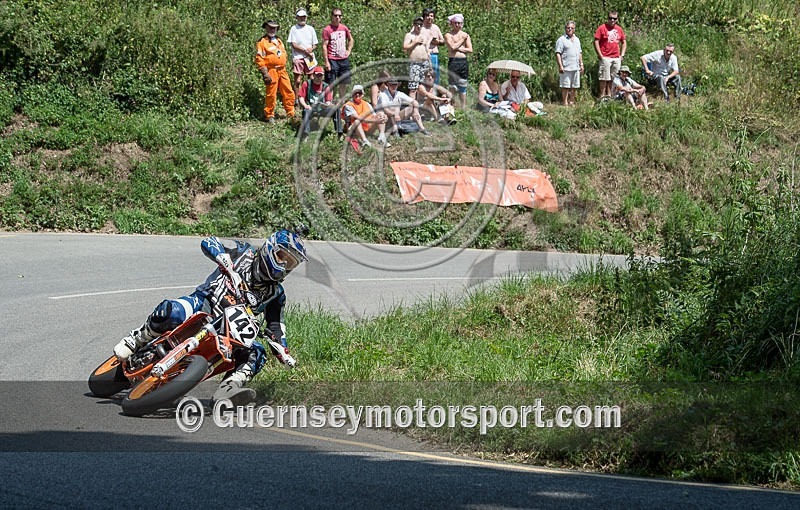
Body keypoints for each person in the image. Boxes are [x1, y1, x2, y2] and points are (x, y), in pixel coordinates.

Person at [113, 229, 308, 405]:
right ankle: (136, 339)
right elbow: (210, 241)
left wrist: (282, 349)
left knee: (257, 352)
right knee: (171, 310)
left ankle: (229, 389)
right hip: (205, 303)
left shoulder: (276, 293)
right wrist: (222, 258)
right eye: (283, 257)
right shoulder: (243, 252)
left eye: (291, 263)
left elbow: (276, 325)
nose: (285, 266)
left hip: (230, 331)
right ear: (270, 249)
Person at [255, 20, 295, 123]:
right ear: (266, 28)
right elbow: (259, 58)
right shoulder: (262, 42)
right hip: (271, 71)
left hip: (282, 70)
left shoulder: (279, 40)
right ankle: (269, 115)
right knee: (271, 94)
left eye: (274, 28)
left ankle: (291, 113)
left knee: (288, 91)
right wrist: (265, 73)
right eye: (270, 27)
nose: (272, 29)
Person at [298, 66, 341, 139]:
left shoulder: (326, 86)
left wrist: (328, 104)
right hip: (310, 108)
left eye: (320, 75)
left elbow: (328, 101)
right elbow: (301, 97)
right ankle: (306, 134)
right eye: (317, 75)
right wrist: (305, 105)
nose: (319, 77)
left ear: (323, 76)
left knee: (337, 109)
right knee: (306, 111)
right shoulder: (307, 84)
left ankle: (339, 132)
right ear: (313, 75)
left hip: (322, 109)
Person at [322, 7, 354, 101]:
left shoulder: (344, 28)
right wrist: (326, 62)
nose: (337, 17)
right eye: (335, 15)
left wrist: (349, 50)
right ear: (331, 16)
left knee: (343, 82)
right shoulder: (327, 29)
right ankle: (329, 102)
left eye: (339, 16)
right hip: (332, 59)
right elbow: (324, 46)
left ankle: (341, 101)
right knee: (330, 82)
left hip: (343, 59)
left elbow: (351, 39)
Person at [343, 84, 388, 149]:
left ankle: (382, 137)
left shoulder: (367, 104)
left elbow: (375, 116)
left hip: (367, 128)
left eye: (359, 93)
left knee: (381, 114)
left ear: (363, 95)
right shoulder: (349, 105)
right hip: (354, 130)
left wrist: (384, 117)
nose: (357, 94)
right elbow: (358, 118)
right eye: (355, 93)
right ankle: (365, 141)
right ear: (352, 94)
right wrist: (375, 120)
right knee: (357, 121)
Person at [287, 9, 319, 101]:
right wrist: (305, 50)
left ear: (306, 17)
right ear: (297, 17)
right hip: (298, 57)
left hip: (309, 57)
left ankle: (309, 98)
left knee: (311, 78)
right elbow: (293, 44)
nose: (302, 18)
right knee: (297, 80)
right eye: (300, 17)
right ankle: (297, 99)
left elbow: (315, 44)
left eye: (304, 16)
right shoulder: (294, 28)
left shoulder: (310, 29)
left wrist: (311, 49)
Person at [594, 11, 626, 99]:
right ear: (607, 18)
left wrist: (622, 55)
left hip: (616, 57)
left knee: (614, 78)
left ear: (617, 19)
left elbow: (624, 42)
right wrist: (600, 54)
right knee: (604, 77)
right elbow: (596, 41)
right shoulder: (602, 28)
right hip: (605, 56)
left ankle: (610, 95)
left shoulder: (619, 29)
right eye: (610, 18)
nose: (612, 20)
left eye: (614, 18)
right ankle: (602, 96)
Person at [444, 13, 472, 109]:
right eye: (455, 23)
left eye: (459, 23)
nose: (457, 25)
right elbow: (452, 47)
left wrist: (458, 48)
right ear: (452, 23)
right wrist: (462, 41)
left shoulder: (465, 35)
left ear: (462, 24)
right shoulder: (448, 35)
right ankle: (451, 106)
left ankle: (463, 107)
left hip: (463, 61)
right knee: (452, 85)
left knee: (463, 84)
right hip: (453, 61)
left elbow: (470, 50)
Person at [555, 20, 584, 106]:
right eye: (568, 28)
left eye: (572, 28)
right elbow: (558, 53)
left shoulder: (577, 39)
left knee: (575, 86)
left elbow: (579, 52)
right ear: (565, 28)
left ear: (574, 29)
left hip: (576, 67)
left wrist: (581, 64)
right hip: (566, 67)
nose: (570, 29)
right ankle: (565, 102)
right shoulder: (561, 40)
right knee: (565, 86)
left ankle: (572, 101)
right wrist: (560, 66)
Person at [403, 17, 431, 95]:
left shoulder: (424, 36)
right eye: (417, 24)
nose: (419, 26)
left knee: (425, 87)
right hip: (415, 64)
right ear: (414, 25)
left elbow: (427, 50)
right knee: (413, 88)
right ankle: (413, 106)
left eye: (421, 24)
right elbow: (405, 47)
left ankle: (423, 105)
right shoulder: (409, 35)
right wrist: (415, 42)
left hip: (425, 63)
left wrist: (430, 64)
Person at [420, 8, 444, 84]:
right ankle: (424, 94)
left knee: (434, 76)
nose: (429, 18)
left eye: (431, 16)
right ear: (424, 17)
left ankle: (434, 93)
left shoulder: (435, 27)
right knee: (423, 76)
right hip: (423, 55)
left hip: (434, 54)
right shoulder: (419, 27)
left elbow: (443, 41)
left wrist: (437, 42)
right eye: (427, 16)